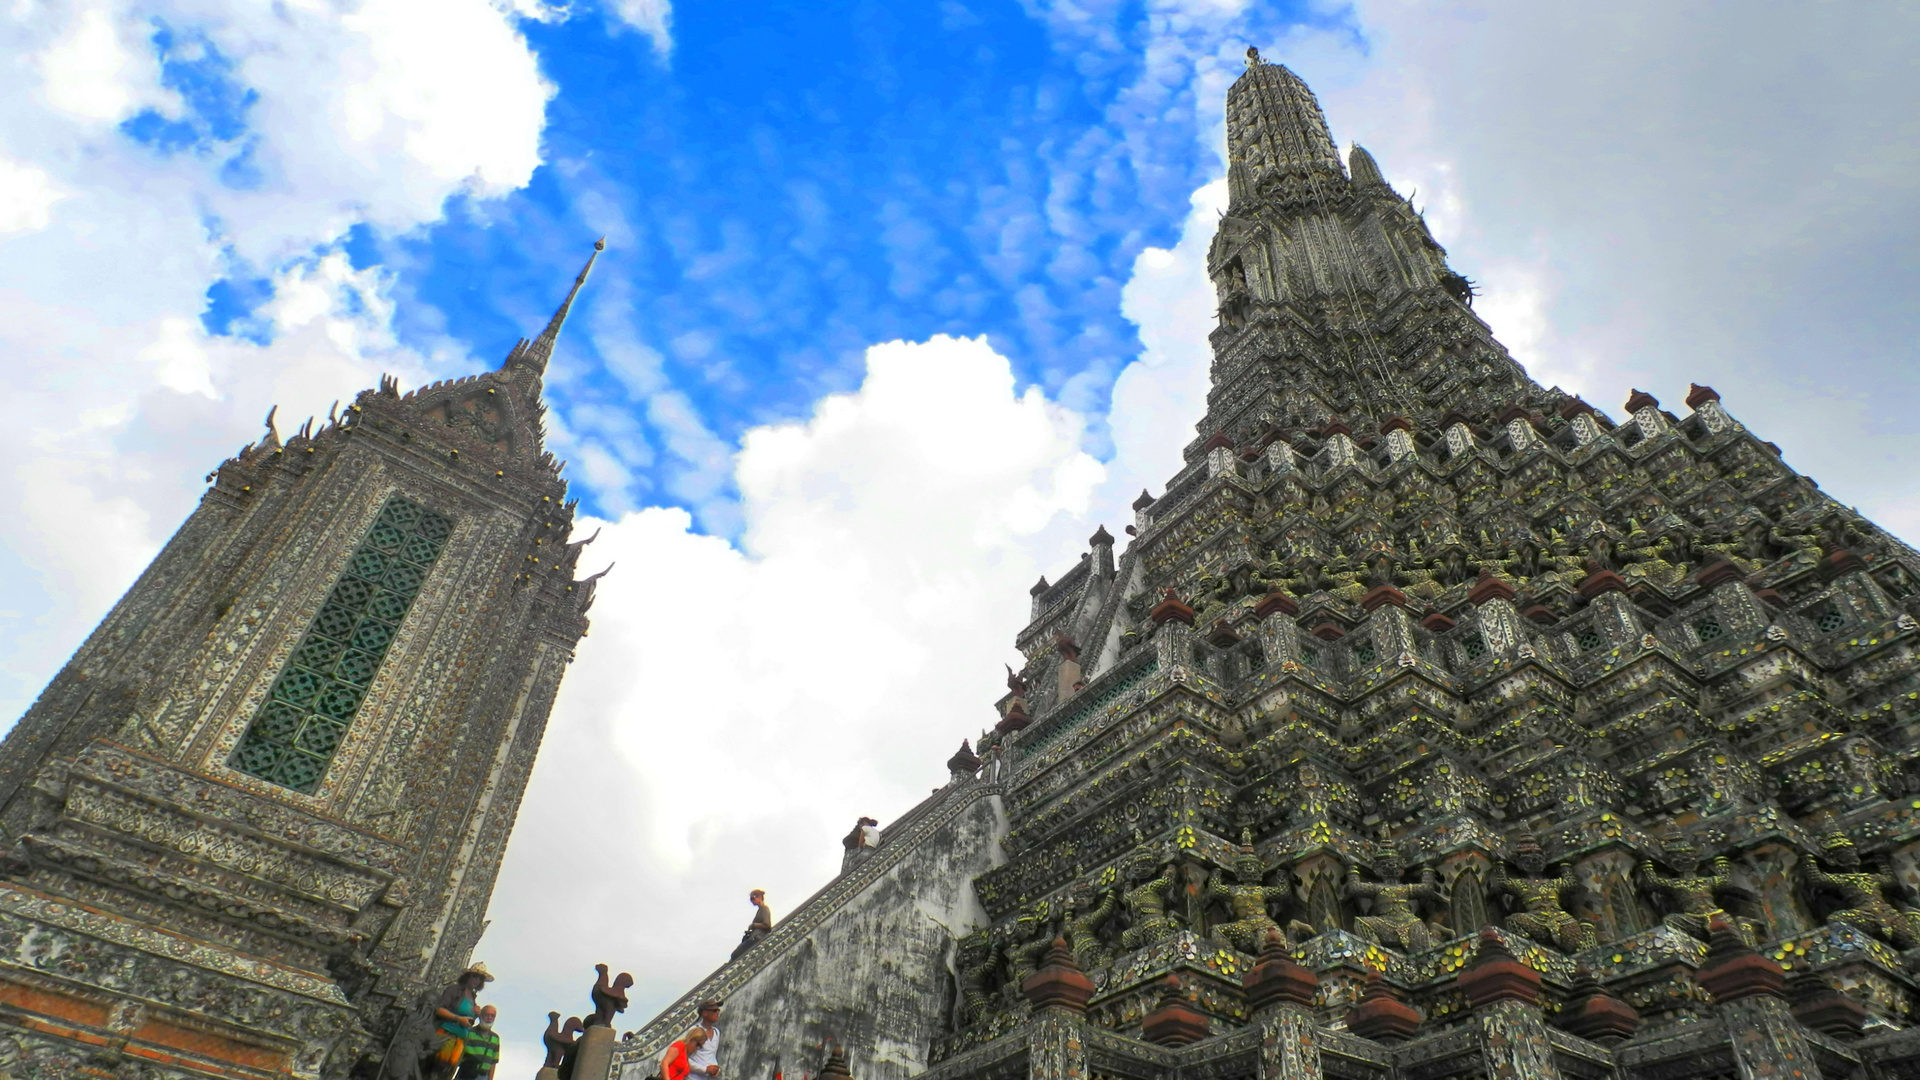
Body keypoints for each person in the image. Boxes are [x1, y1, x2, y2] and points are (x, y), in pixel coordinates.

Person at [427, 963, 492, 1079]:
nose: (476, 980)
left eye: (480, 978)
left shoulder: (473, 997)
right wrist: (458, 1019)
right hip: (446, 1035)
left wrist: (476, 1015)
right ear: (468, 976)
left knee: (447, 1073)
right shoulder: (454, 990)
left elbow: (468, 1021)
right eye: (475, 976)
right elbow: (439, 1009)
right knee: (436, 1070)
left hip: (460, 1041)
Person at [456, 1005, 501, 1080]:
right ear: (480, 1016)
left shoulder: (495, 1038)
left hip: (483, 1076)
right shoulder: (469, 1032)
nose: (489, 1018)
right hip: (465, 1075)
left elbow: (493, 1062)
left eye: (492, 1016)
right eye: (487, 1015)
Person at [730, 891, 773, 959]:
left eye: (753, 898)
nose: (751, 901)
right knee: (735, 954)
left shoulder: (764, 908)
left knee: (735, 954)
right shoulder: (760, 910)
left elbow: (767, 925)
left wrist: (754, 925)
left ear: (759, 897)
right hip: (753, 936)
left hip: (757, 937)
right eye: (751, 899)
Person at [687, 1000, 722, 1079]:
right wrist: (705, 1069)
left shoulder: (716, 1032)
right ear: (705, 1013)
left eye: (718, 1010)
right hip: (691, 1077)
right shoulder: (694, 1031)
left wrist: (716, 1069)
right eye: (714, 1010)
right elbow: (684, 1058)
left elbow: (711, 1055)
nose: (717, 1013)